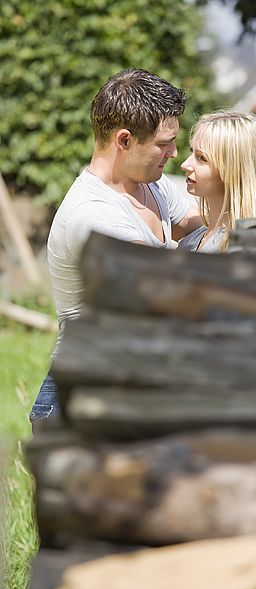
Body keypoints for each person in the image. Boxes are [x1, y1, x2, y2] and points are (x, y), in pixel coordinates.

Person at [29, 68, 202, 422]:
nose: (173, 153)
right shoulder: (93, 213)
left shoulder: (150, 185)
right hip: (80, 397)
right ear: (123, 140)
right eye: (163, 143)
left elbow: (206, 225)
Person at [178, 111, 256, 253]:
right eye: (191, 151)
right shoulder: (192, 241)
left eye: (202, 158)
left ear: (233, 170)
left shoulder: (244, 248)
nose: (185, 164)